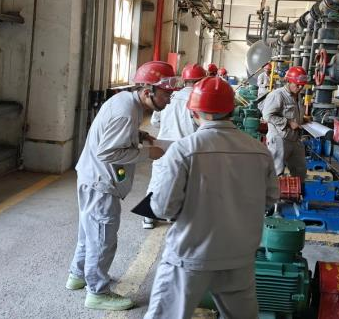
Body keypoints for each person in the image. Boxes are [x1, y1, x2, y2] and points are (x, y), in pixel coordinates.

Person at [144, 76, 279, 319]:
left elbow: (163, 208)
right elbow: (270, 200)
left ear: (194, 112)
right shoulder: (260, 151)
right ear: (231, 110)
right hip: (238, 256)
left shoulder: (184, 149)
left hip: (190, 256)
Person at [66, 60, 181, 311]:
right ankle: (97, 292)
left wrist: (140, 136)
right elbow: (107, 152)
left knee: (89, 232)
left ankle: (78, 275)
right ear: (148, 91)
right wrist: (148, 153)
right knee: (103, 239)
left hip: (91, 177)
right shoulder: (127, 111)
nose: (169, 99)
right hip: (101, 182)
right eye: (165, 94)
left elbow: (114, 131)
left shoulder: (129, 103)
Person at [144, 63, 207, 229]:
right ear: (201, 80)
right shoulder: (199, 99)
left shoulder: (168, 95)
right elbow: (202, 126)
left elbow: (155, 122)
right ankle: (174, 215)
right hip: (187, 148)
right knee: (183, 183)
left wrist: (169, 126)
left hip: (162, 145)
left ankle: (148, 218)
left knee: (157, 180)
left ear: (184, 80)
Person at [261, 65, 308, 178]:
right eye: (297, 85)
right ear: (288, 81)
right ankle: (275, 189)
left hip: (294, 138)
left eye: (302, 85)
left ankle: (298, 188)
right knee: (276, 173)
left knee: (300, 172)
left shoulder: (298, 96)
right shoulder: (277, 95)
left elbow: (293, 113)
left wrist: (303, 119)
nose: (300, 88)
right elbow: (267, 116)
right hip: (279, 139)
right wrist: (288, 122)